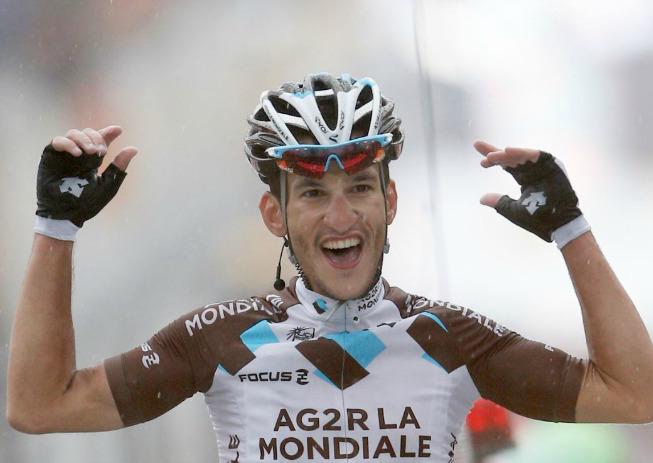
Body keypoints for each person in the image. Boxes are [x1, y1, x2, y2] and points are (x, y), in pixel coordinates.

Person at [6, 73, 653, 462]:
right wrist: (56, 229)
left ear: (390, 201)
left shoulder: (446, 336)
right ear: (274, 214)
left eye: (360, 188)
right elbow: (38, 406)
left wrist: (571, 229)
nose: (341, 216)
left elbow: (635, 393)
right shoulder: (220, 338)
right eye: (314, 193)